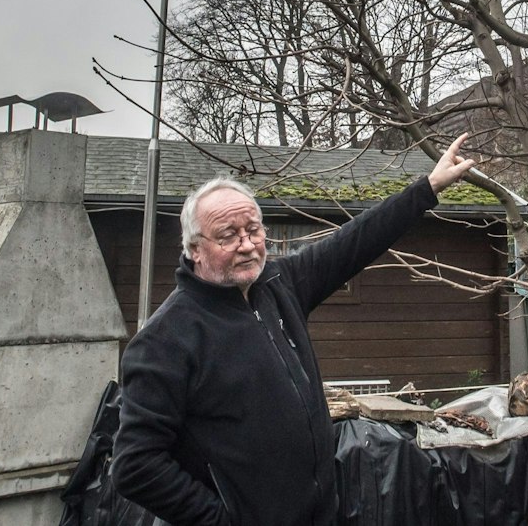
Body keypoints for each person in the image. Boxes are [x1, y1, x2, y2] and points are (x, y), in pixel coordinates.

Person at [112, 133, 479, 526]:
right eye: (228, 235)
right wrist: (221, 520)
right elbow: (135, 465)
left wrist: (427, 188)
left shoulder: (278, 285)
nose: (247, 244)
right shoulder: (166, 339)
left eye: (253, 230)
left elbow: (353, 242)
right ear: (193, 249)